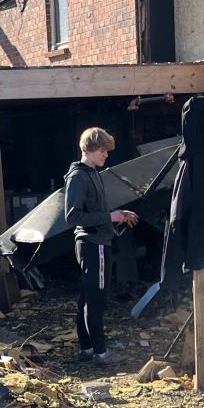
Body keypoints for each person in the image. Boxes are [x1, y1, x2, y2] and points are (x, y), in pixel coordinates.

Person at [64, 127, 137, 365]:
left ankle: (87, 349)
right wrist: (109, 217)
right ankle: (101, 353)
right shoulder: (78, 177)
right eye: (103, 150)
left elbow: (95, 211)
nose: (107, 155)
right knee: (95, 299)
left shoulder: (92, 173)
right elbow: (73, 217)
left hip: (95, 241)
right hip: (92, 244)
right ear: (91, 149)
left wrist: (117, 215)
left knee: (88, 297)